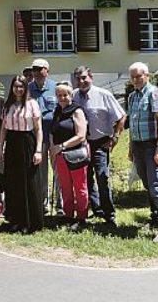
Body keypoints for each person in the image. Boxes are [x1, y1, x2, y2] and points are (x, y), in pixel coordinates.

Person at [73, 64, 126, 228]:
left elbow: (122, 116)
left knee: (102, 177)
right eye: (78, 79)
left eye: (84, 78)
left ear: (91, 77)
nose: (81, 82)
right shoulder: (74, 96)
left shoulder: (104, 95)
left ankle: (109, 215)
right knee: (86, 180)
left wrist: (115, 137)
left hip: (100, 142)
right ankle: (96, 210)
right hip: (82, 144)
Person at [127, 61, 158, 243]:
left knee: (155, 185)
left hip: (152, 146)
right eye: (132, 77)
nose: (136, 80)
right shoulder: (132, 97)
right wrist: (131, 148)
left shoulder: (156, 94)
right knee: (148, 184)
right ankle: (155, 218)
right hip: (138, 147)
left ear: (147, 75)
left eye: (139, 76)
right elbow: (132, 125)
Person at [0, 74, 44, 233]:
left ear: (26, 88)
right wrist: (0, 147)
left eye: (21, 86)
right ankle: (15, 219)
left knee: (28, 182)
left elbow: (38, 130)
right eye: (16, 86)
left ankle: (29, 221)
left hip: (27, 142)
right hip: (12, 143)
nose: (18, 89)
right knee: (13, 182)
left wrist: (38, 150)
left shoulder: (32, 104)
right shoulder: (7, 105)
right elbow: (3, 128)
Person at [50, 82, 89, 231]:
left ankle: (81, 217)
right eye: (59, 95)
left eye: (65, 95)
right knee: (65, 187)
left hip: (76, 154)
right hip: (60, 156)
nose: (62, 98)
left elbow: (81, 135)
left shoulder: (77, 111)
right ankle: (68, 216)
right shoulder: (57, 111)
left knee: (80, 188)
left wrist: (62, 146)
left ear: (71, 95)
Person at [27, 58, 58, 210]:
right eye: (34, 69)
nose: (37, 72)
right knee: (40, 172)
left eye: (40, 69)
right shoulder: (28, 88)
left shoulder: (55, 87)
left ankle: (61, 204)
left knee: (58, 171)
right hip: (35, 138)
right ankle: (43, 203)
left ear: (47, 71)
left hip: (53, 137)